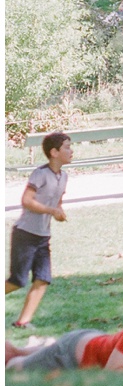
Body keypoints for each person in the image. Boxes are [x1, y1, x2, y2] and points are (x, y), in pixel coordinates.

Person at [6, 297, 123, 372]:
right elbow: (113, 373)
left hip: (100, 341)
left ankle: (39, 345)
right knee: (16, 367)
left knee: (27, 355)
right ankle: (15, 352)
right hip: (71, 352)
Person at [8, 132, 71, 328]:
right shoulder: (40, 174)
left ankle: (23, 322)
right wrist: (52, 210)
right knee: (18, 280)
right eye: (67, 147)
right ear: (54, 152)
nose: (71, 151)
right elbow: (27, 201)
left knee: (43, 279)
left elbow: (56, 202)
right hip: (25, 234)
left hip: (43, 236)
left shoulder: (64, 176)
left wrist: (58, 212)